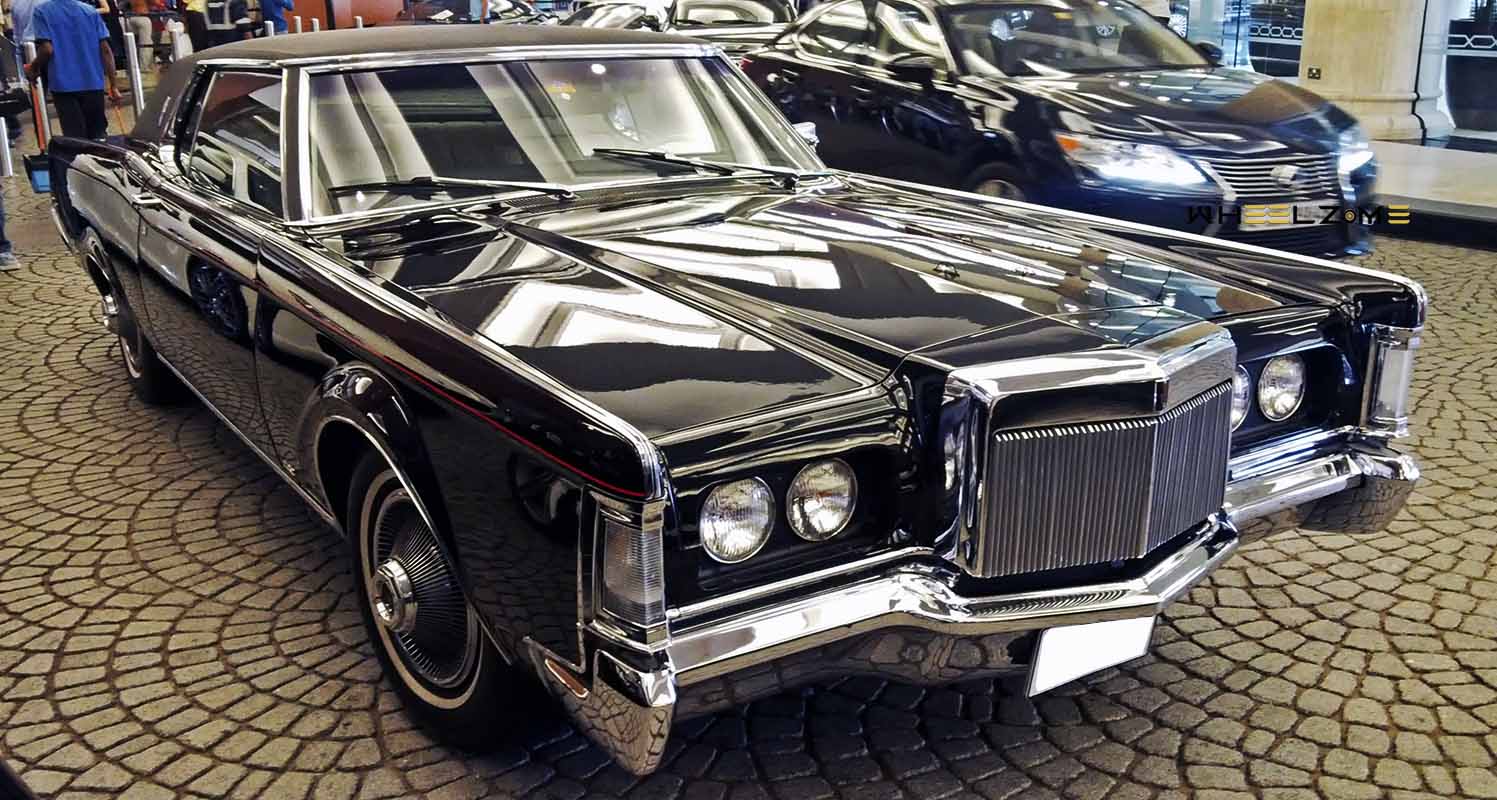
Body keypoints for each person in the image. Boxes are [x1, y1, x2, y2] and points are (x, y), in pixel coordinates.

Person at [25, 0, 121, 139]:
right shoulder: (90, 11)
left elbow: (47, 49)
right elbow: (106, 51)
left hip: (63, 85)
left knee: (74, 137)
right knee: (98, 134)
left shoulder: (42, 11)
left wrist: (34, 67)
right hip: (93, 82)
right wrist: (113, 85)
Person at [124, 0, 153, 68]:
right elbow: (155, 2)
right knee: (145, 44)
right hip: (142, 18)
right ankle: (144, 67)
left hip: (130, 18)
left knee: (134, 45)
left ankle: (134, 67)